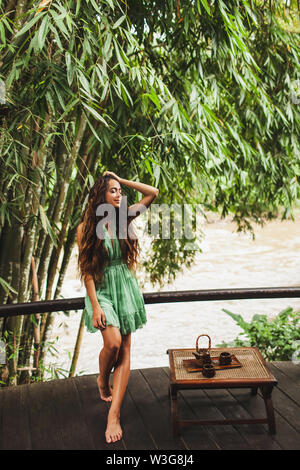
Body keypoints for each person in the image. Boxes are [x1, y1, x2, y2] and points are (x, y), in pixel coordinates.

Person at [76, 171, 159, 444]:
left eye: (119, 191)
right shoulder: (85, 228)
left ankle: (114, 415)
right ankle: (103, 378)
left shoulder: (123, 218)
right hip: (101, 291)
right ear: (100, 196)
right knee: (111, 344)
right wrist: (96, 306)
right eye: (112, 191)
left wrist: (120, 180)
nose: (118, 195)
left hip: (124, 286)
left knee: (124, 349)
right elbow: (87, 271)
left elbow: (153, 192)